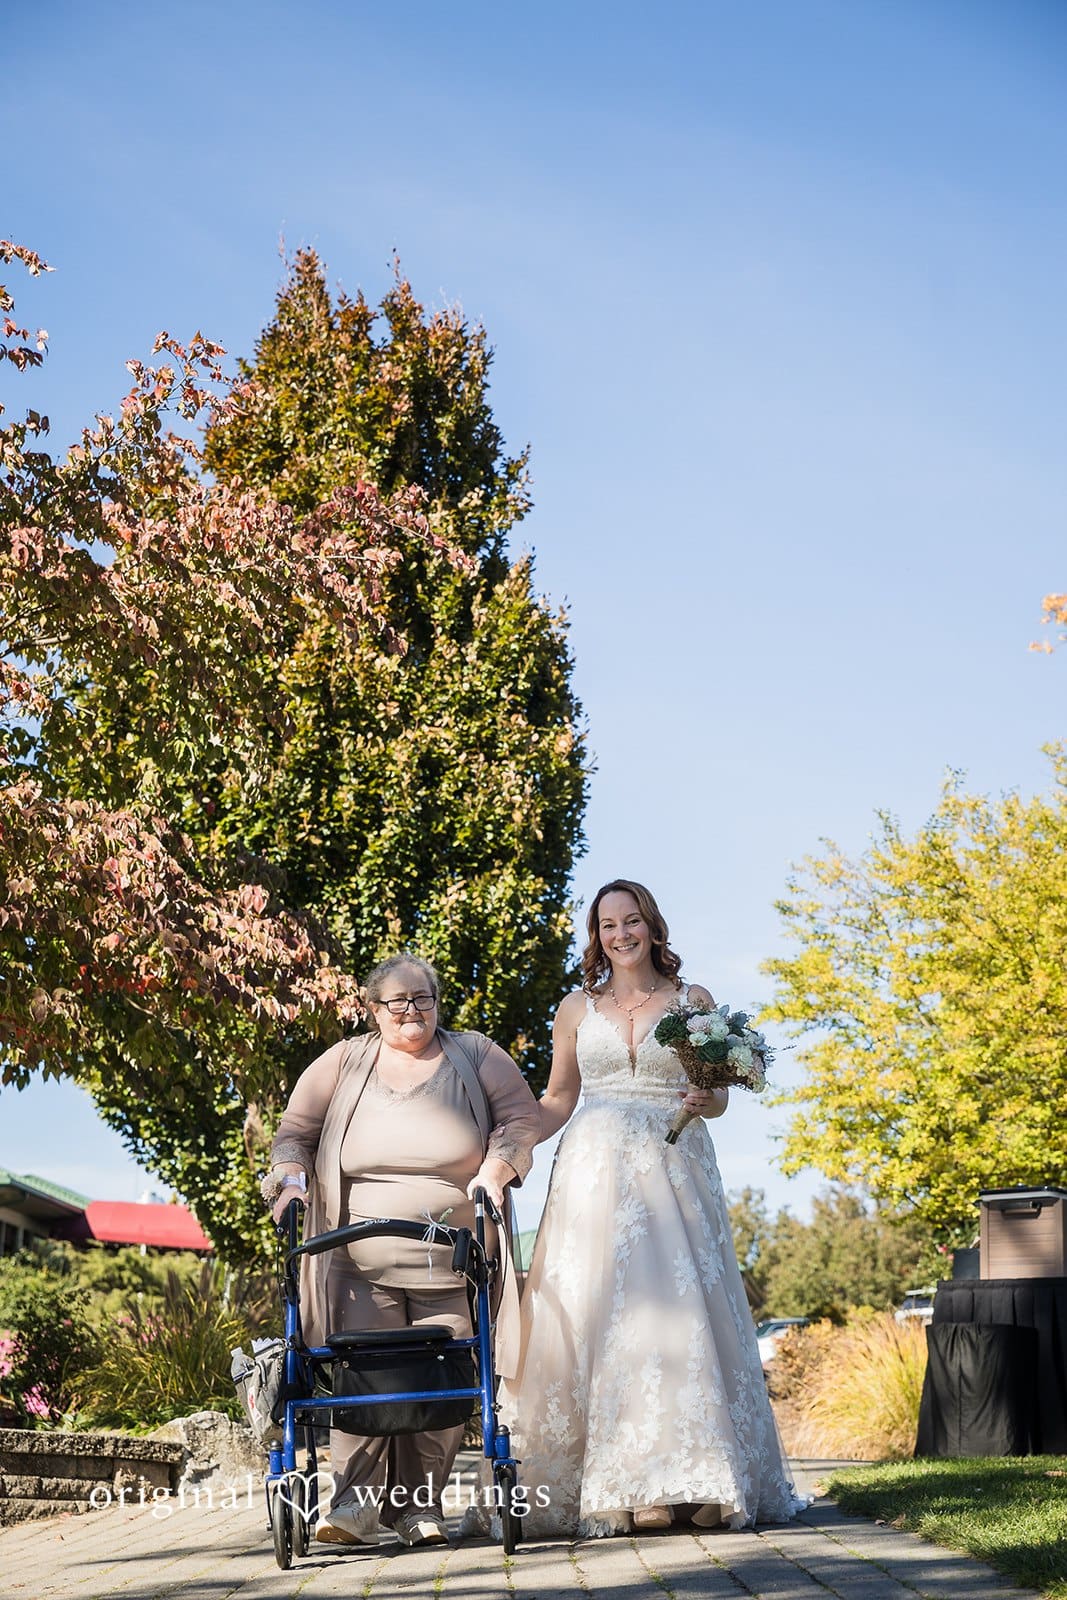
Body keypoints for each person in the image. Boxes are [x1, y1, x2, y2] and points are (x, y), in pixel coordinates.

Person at [492, 880, 805, 1537]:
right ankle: (624, 1486)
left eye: (630, 920)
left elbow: (716, 1097)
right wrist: (510, 1146)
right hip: (590, 1175)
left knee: (676, 1318)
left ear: (651, 926)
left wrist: (704, 1100)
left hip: (674, 1172)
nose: (620, 934)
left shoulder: (692, 1002)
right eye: (607, 925)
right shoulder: (574, 1008)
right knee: (599, 1318)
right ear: (595, 935)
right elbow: (557, 1097)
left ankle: (689, 1480)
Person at [262, 953, 540, 1548]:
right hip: (356, 1259)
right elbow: (295, 1134)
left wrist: (496, 1168)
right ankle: (354, 1507)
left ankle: (418, 1508)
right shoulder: (343, 1062)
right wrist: (288, 1176)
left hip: (453, 1257)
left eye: (423, 999)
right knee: (364, 1376)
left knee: (442, 1381)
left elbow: (520, 1120)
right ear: (372, 1010)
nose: (412, 1011)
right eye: (397, 1002)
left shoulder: (477, 1055)